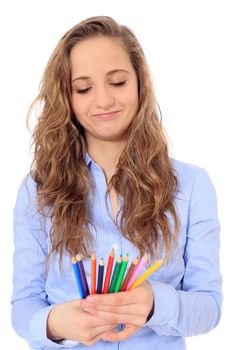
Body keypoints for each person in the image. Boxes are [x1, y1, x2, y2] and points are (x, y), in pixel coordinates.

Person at [11, 16, 222, 349]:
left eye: (118, 82)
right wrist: (56, 323)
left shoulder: (192, 185)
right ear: (67, 98)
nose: (104, 101)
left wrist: (155, 304)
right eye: (83, 88)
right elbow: (24, 303)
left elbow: (209, 306)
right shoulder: (39, 189)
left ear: (140, 83)